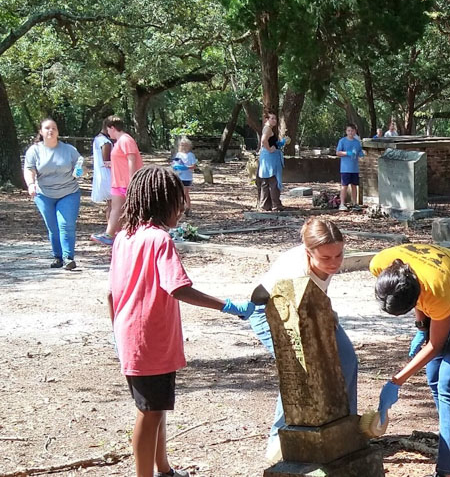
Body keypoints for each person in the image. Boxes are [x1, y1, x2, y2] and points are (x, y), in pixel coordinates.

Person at [108, 165, 254, 477]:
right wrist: (227, 305)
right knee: (148, 413)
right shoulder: (159, 240)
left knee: (155, 406)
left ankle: (163, 469)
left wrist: (117, 335)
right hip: (150, 337)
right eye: (179, 203)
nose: (182, 210)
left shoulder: (124, 237)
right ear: (164, 203)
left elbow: (111, 294)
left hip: (131, 335)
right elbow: (178, 288)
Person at [369, 244, 450, 477]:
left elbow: (434, 345)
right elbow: (419, 302)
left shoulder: (436, 289)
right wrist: (421, 326)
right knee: (434, 377)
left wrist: (396, 381)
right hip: (448, 296)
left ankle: (446, 471)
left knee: (448, 382)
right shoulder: (380, 263)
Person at [247, 217, 358, 464]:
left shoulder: (327, 256)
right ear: (309, 253)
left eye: (339, 255)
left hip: (313, 308)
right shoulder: (295, 271)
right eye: (326, 259)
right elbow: (286, 309)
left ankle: (346, 426)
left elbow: (319, 290)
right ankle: (280, 441)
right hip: (272, 311)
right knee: (298, 375)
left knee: (348, 360)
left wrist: (328, 314)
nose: (334, 263)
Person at [23, 117, 83, 270]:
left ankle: (68, 257)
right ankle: (57, 257)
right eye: (47, 128)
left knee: (66, 224)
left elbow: (80, 165)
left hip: (68, 192)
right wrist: (31, 184)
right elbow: (29, 169)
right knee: (53, 227)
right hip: (44, 194)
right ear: (41, 132)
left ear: (58, 132)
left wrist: (80, 170)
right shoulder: (34, 150)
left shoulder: (69, 150)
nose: (51, 131)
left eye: (54, 128)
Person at [92, 116, 142, 246]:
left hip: (126, 182)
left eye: (108, 129)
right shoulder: (119, 141)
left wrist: (132, 180)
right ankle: (111, 235)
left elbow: (131, 160)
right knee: (116, 209)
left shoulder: (126, 140)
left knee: (129, 210)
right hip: (118, 181)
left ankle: (126, 235)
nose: (107, 133)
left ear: (112, 128)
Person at [257, 113, 285, 211]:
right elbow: (264, 140)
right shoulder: (268, 129)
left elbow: (267, 141)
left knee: (265, 183)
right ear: (266, 119)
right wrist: (269, 149)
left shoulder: (267, 129)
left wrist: (278, 144)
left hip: (266, 158)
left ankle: (265, 205)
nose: (274, 120)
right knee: (273, 182)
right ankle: (276, 205)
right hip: (270, 159)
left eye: (275, 118)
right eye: (272, 118)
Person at [335, 123, 363, 211]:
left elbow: (360, 153)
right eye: (348, 130)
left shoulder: (357, 142)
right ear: (346, 131)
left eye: (352, 131)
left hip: (354, 168)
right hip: (345, 168)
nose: (350, 132)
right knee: (344, 186)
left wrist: (361, 154)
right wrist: (347, 153)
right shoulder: (342, 141)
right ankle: (342, 204)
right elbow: (338, 152)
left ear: (355, 131)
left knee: (354, 186)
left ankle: (354, 203)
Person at [91, 119, 113, 225]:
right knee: (113, 205)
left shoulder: (97, 139)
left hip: (101, 174)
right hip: (108, 175)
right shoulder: (105, 142)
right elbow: (107, 161)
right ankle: (112, 229)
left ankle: (111, 227)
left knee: (111, 204)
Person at [171, 137, 197, 216]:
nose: (184, 147)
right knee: (178, 193)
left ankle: (188, 208)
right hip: (179, 176)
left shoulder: (191, 155)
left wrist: (186, 167)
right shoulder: (178, 154)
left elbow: (194, 166)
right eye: (182, 145)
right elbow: (175, 164)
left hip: (187, 177)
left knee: (185, 193)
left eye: (185, 145)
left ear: (189, 146)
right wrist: (175, 167)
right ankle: (179, 209)